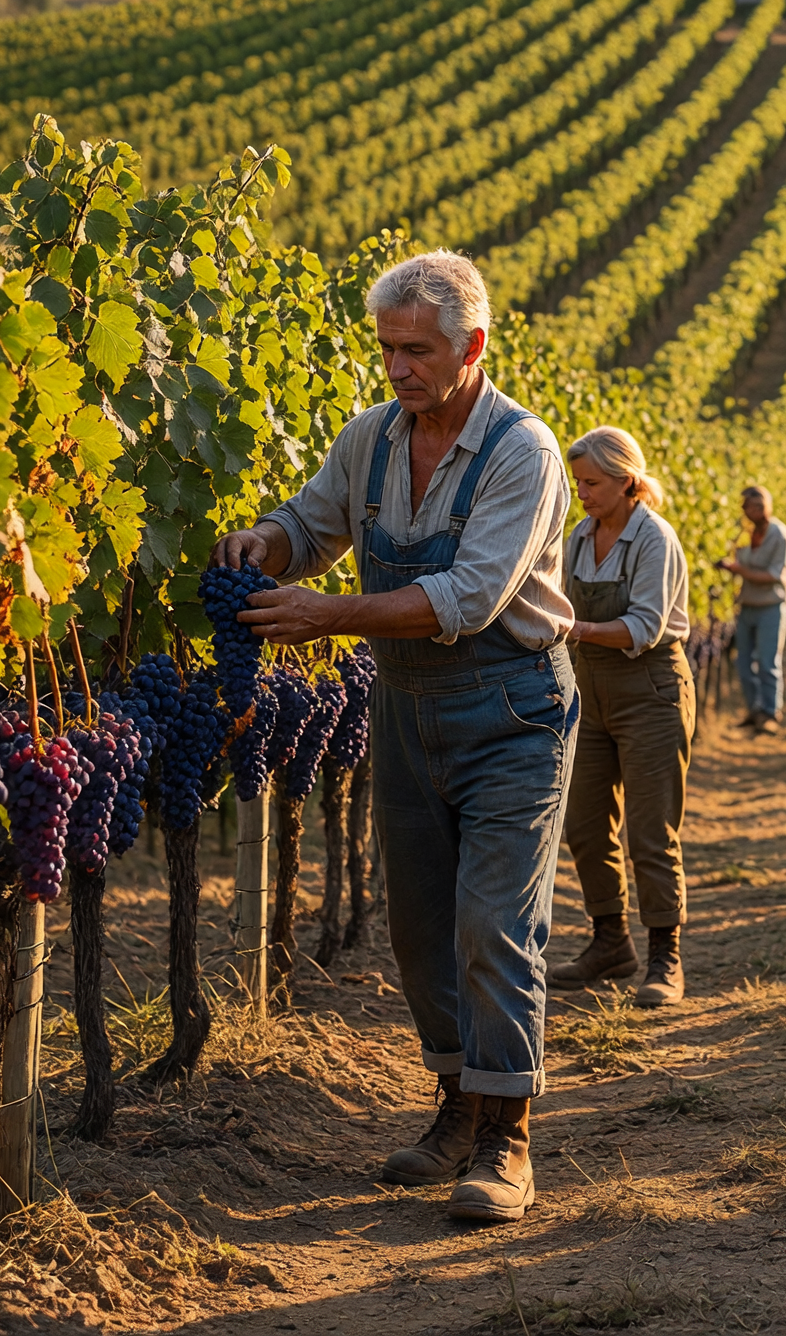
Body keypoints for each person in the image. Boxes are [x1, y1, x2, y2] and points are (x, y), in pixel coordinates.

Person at [213, 250, 574, 1227]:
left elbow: (469, 594)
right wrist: (267, 542)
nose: (398, 368)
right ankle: (457, 1108)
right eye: (387, 348)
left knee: (493, 920)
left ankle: (509, 1137)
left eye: (417, 350)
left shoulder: (523, 450)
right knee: (419, 926)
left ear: (473, 345)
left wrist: (328, 614)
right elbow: (314, 521)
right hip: (406, 708)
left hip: (510, 707)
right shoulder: (371, 436)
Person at [551, 427, 695, 1007]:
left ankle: (666, 955)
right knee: (584, 823)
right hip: (591, 691)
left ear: (626, 480)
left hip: (651, 689)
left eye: (592, 482)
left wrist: (576, 629)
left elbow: (644, 627)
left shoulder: (653, 539)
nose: (581, 492)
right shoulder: (580, 538)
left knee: (651, 831)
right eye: (578, 481)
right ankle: (610, 942)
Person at [722, 485, 786, 734]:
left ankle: (771, 713)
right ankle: (754, 710)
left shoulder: (779, 535)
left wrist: (739, 570)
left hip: (771, 606)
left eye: (748, 507)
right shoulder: (745, 534)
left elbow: (773, 576)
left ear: (762, 507)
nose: (745, 512)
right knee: (743, 662)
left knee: (767, 662)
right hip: (748, 606)